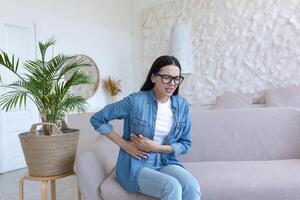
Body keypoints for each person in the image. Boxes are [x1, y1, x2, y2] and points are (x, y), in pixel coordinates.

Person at [90, 55, 201, 200]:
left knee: (192, 186)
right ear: (153, 77)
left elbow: (185, 144)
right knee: (172, 186)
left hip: (165, 161)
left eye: (176, 78)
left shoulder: (181, 106)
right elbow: (97, 119)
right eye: (167, 77)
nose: (172, 83)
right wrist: (124, 145)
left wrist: (157, 148)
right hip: (135, 165)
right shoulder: (135, 101)